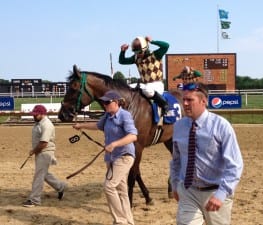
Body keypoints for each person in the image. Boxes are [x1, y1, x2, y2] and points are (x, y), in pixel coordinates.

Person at [170, 82, 243, 225]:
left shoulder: (221, 126)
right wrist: (175, 184)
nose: (184, 103)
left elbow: (235, 165)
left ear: (203, 101)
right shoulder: (178, 126)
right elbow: (176, 160)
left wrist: (221, 194)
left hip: (215, 192)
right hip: (188, 191)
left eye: (189, 100)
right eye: (183, 99)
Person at [72, 90, 137, 225]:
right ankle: (129, 221)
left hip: (124, 156)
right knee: (121, 190)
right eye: (103, 102)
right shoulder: (107, 116)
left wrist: (115, 144)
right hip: (112, 158)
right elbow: (97, 125)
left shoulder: (125, 116)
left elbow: (133, 136)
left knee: (109, 187)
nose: (105, 104)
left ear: (116, 102)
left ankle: (120, 221)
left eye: (107, 102)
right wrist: (81, 125)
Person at [23, 105, 66, 207]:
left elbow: (43, 143)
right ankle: (60, 186)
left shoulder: (47, 125)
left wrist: (33, 151)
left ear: (42, 114)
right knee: (43, 173)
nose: (33, 116)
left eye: (35, 114)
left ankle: (34, 200)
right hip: (41, 152)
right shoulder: (39, 122)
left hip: (44, 152)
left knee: (39, 176)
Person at [119, 35, 169, 115]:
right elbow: (122, 61)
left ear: (145, 49)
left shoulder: (156, 54)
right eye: (135, 52)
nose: (137, 54)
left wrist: (152, 41)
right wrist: (123, 51)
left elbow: (166, 46)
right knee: (127, 88)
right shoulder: (136, 58)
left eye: (139, 52)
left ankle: (164, 104)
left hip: (156, 84)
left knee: (147, 90)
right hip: (144, 85)